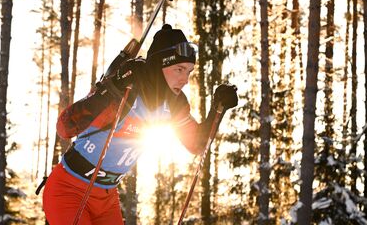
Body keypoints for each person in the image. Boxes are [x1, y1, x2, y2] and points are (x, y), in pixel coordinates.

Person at [42, 24, 237, 225]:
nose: (185, 79)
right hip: (69, 190)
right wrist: (110, 89)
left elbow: (196, 144)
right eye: (179, 69)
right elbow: (65, 128)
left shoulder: (175, 102)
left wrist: (218, 109)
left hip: (107, 198)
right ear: (159, 65)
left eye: (189, 71)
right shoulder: (127, 90)